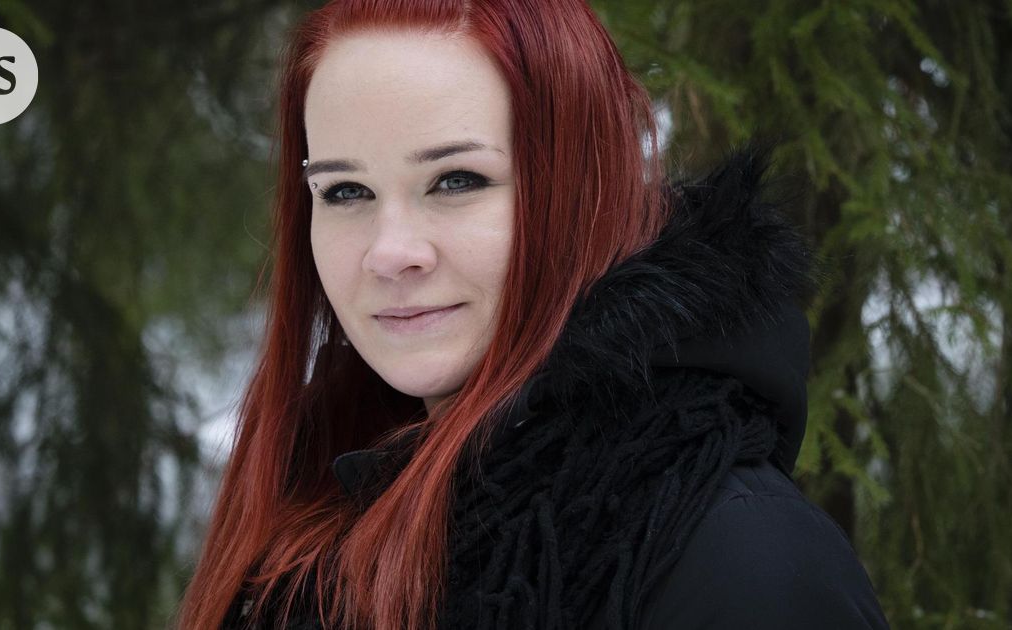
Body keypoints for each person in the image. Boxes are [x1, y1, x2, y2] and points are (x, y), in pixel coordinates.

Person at [177, 0, 892, 628]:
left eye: (457, 180)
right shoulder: (311, 516)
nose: (390, 253)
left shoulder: (738, 558)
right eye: (345, 192)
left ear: (584, 189)